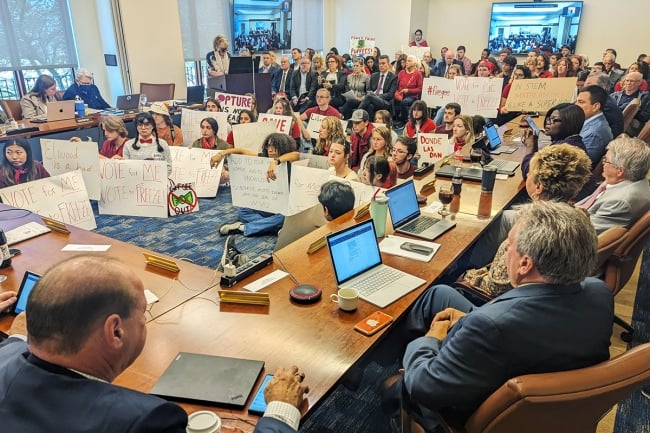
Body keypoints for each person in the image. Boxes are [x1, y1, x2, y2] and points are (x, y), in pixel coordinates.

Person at [0, 256, 308, 433]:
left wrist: (16, 338)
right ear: (115, 332)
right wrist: (280, 411)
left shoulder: (7, 356)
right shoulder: (143, 421)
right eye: (143, 312)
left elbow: (13, 349)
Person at [391, 201, 614, 431]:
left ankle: (396, 374)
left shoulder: (490, 327)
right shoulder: (600, 293)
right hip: (553, 400)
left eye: (508, 245)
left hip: (478, 408)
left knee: (401, 380)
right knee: (440, 294)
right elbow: (524, 329)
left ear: (525, 264)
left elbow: (424, 387)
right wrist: (470, 321)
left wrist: (431, 338)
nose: (506, 249)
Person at [462, 144, 592, 297]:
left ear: (538, 186)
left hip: (498, 302)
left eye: (529, 173)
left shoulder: (528, 229)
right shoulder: (580, 217)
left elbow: (496, 286)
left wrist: (467, 275)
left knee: (439, 290)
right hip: (553, 299)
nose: (527, 176)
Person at [214, 133, 299, 237]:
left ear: (283, 147)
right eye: (269, 146)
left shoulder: (288, 160)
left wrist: (276, 162)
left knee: (285, 217)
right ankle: (273, 227)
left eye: (274, 147)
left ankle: (243, 228)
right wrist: (220, 154)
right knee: (243, 210)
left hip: (281, 208)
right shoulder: (264, 157)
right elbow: (241, 151)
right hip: (265, 204)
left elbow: (296, 155)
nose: (270, 150)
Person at [576, 136, 650, 233]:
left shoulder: (620, 202)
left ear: (619, 171)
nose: (603, 163)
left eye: (605, 160)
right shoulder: (626, 179)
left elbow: (582, 231)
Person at [520, 103, 587, 180]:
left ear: (568, 123)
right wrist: (534, 143)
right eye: (548, 118)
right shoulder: (575, 141)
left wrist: (530, 146)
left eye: (553, 119)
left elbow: (530, 175)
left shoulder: (562, 151)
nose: (547, 122)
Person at [123, 112, 172, 176]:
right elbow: (126, 169)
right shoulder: (128, 145)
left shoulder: (163, 144)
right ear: (136, 127)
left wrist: (157, 179)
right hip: (136, 182)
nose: (143, 128)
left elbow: (168, 167)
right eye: (140, 124)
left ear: (153, 126)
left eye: (147, 124)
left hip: (158, 183)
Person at [574, 85, 613, 165]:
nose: (576, 105)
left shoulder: (594, 133)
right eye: (576, 101)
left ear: (596, 106)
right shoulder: (590, 122)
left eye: (581, 102)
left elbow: (580, 164)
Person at [584, 72, 624, 138]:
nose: (585, 88)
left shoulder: (606, 105)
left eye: (589, 84)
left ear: (603, 87)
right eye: (585, 84)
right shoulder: (604, 99)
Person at [358, 55, 397, 120]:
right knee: (370, 106)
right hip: (372, 98)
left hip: (385, 101)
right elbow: (369, 90)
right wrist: (373, 96)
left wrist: (376, 96)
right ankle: (370, 124)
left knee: (369, 97)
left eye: (383, 63)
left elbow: (390, 94)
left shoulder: (393, 77)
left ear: (388, 64)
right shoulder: (374, 75)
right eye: (379, 63)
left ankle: (357, 115)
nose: (381, 65)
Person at [395, 55, 424, 126]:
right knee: (392, 100)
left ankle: (406, 121)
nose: (406, 62)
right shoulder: (401, 72)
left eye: (409, 61)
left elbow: (420, 89)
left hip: (412, 96)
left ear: (414, 63)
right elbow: (397, 86)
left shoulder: (418, 74)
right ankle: (396, 120)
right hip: (400, 95)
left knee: (404, 102)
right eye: (406, 61)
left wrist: (408, 90)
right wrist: (397, 93)